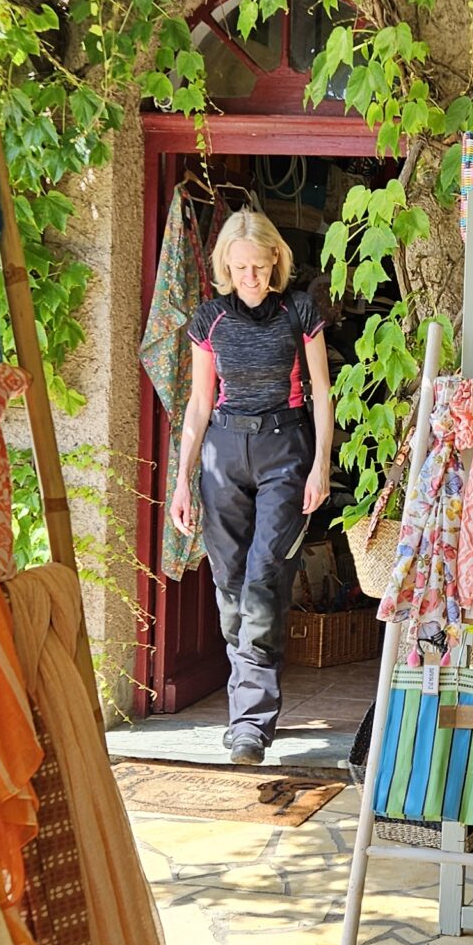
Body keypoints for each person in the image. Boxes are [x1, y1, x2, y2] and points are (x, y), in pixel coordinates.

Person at [169, 208, 335, 763]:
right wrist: (182, 480)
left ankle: (250, 725)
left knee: (264, 579)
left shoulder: (299, 312)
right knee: (230, 585)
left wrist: (320, 465)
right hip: (222, 451)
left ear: (275, 259)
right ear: (226, 265)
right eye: (239, 267)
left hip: (284, 451)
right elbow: (199, 403)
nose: (250, 277)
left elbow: (321, 393)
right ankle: (246, 708)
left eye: (259, 266)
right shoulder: (209, 319)